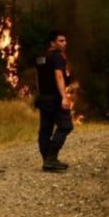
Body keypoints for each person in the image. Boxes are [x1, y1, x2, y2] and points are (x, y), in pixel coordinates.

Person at [35, 30, 74, 172]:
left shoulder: (41, 57)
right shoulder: (57, 57)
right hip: (55, 98)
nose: (64, 43)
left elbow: (37, 78)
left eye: (65, 40)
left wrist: (40, 95)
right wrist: (64, 96)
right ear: (52, 42)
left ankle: (46, 161)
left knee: (45, 129)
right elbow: (59, 76)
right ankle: (51, 158)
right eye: (61, 41)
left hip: (44, 98)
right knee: (66, 125)